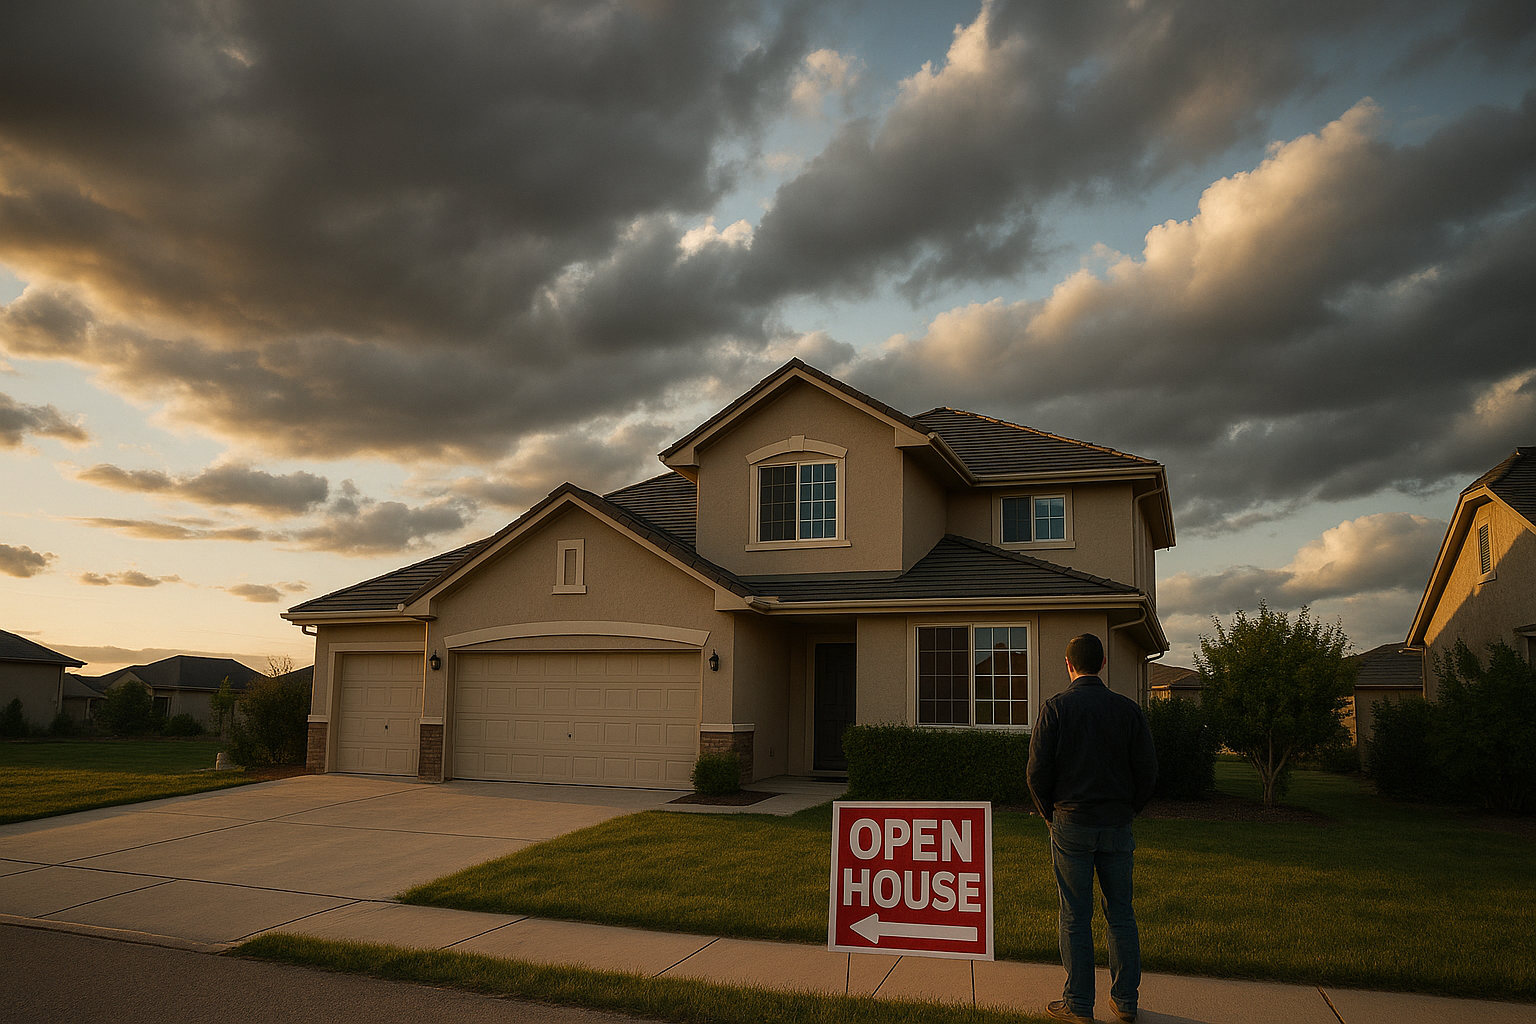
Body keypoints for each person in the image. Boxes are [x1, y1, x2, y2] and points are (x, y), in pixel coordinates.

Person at [1026, 633, 1158, 1024]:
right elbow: (1148, 772)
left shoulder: (1056, 708)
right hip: (1117, 823)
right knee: (1121, 911)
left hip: (1071, 823)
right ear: (1102, 664)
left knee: (1075, 914)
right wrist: (1129, 809)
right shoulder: (1128, 710)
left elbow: (1036, 773)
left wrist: (1050, 813)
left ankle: (1079, 1003)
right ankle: (1125, 1001)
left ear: (1069, 665)